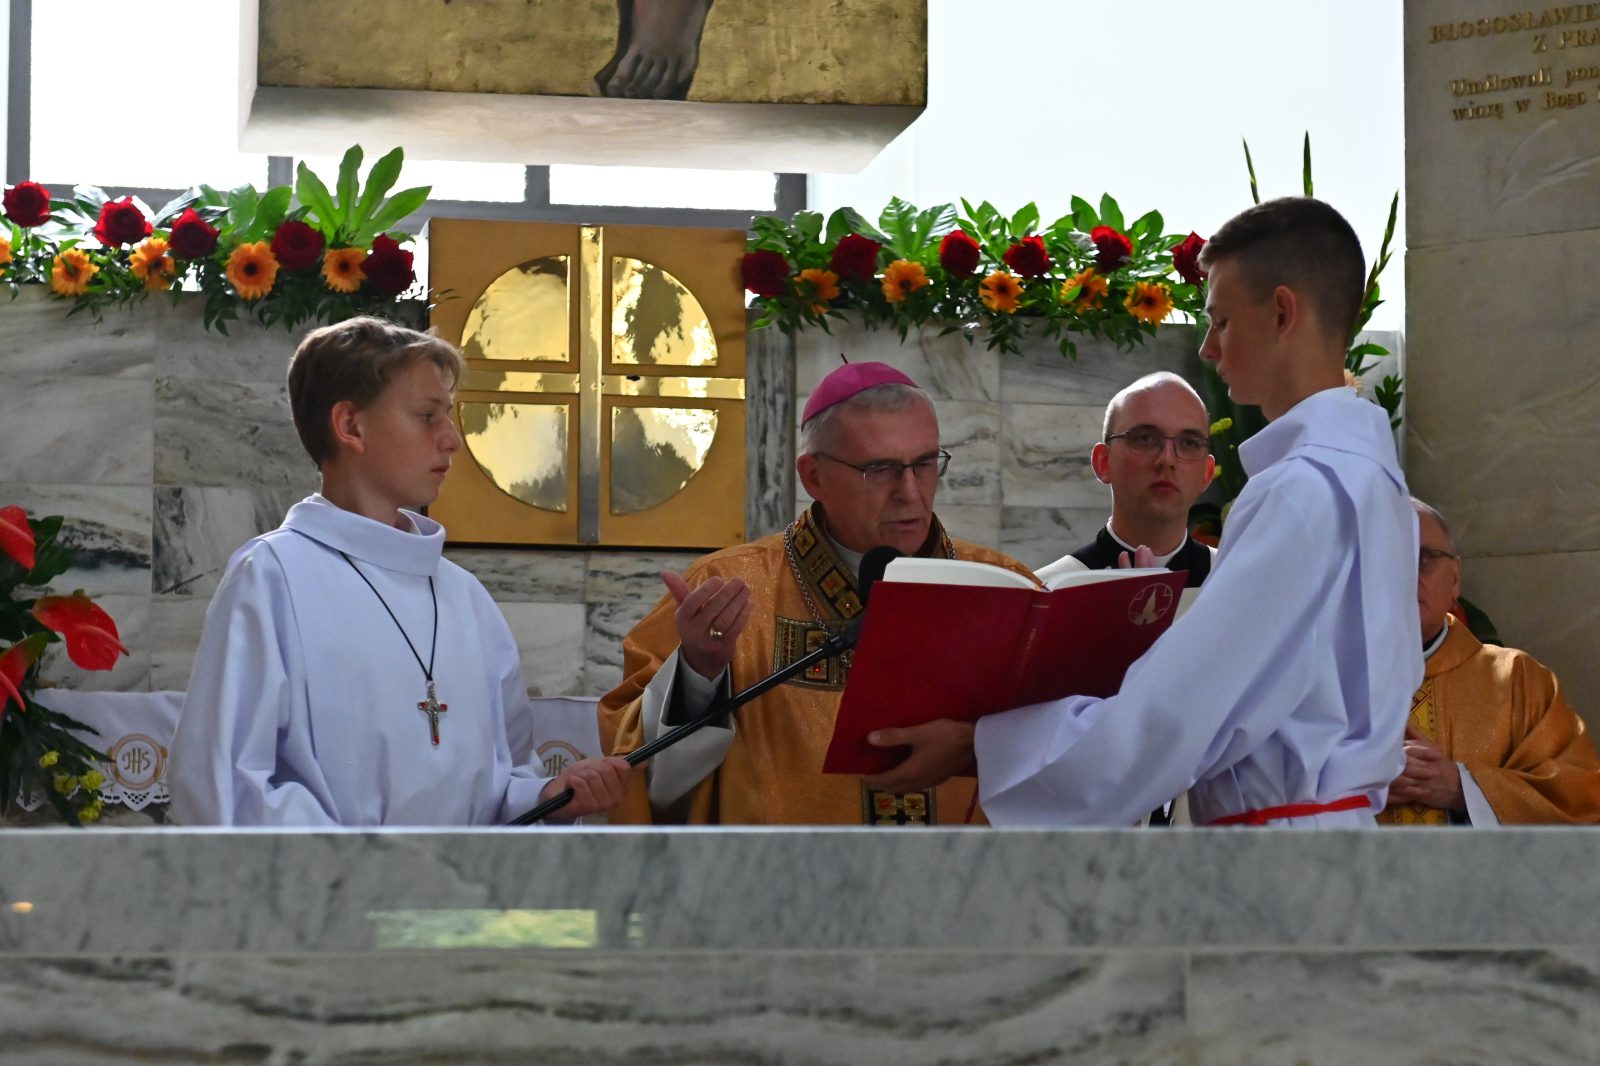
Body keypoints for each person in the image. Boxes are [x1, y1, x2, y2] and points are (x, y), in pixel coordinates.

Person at [863, 197, 1423, 827]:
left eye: (1221, 320)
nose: (1209, 347)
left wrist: (979, 745)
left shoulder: (1300, 490)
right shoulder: (1374, 481)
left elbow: (1180, 714)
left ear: (1282, 312)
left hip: (1277, 851)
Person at [169, 317, 630, 826]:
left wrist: (545, 797)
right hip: (331, 897)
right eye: (427, 416)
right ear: (351, 427)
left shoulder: (464, 597)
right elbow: (223, 784)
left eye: (448, 417)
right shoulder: (273, 577)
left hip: (462, 897)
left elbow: (507, 777)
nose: (452, 439)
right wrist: (372, 872)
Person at [598, 361, 1035, 825]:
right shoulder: (725, 587)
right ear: (813, 477)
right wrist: (698, 674)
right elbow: (634, 770)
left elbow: (1075, 750)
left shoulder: (1004, 587)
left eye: (925, 464)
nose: (910, 492)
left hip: (969, 885)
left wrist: (977, 744)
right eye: (880, 469)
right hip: (785, 887)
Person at [1379, 499, 1600, 825]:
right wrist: (1357, 781)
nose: (1403, 575)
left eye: (1422, 558)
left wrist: (1462, 788)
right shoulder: (1317, 683)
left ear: (1455, 579)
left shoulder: (1517, 680)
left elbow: (1580, 797)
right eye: (1382, 558)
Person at [1037, 371, 1216, 587]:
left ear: (1207, 473)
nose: (1167, 460)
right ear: (1103, 462)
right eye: (1145, 439)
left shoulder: (1239, 582)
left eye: (1189, 443)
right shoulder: (1046, 591)